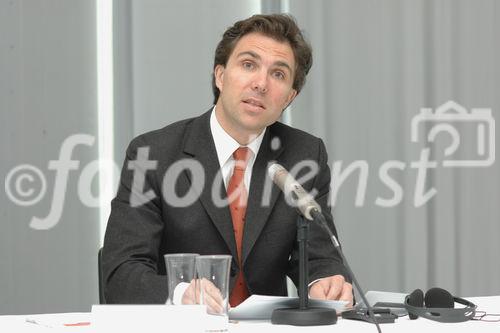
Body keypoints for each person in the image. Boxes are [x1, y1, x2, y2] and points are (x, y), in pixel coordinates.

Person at [102, 13, 353, 308]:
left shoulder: (305, 155)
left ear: (289, 98)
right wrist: (182, 294)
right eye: (249, 65)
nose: (261, 83)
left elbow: (319, 257)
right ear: (219, 75)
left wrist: (324, 283)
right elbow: (121, 275)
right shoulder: (153, 154)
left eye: (279, 74)